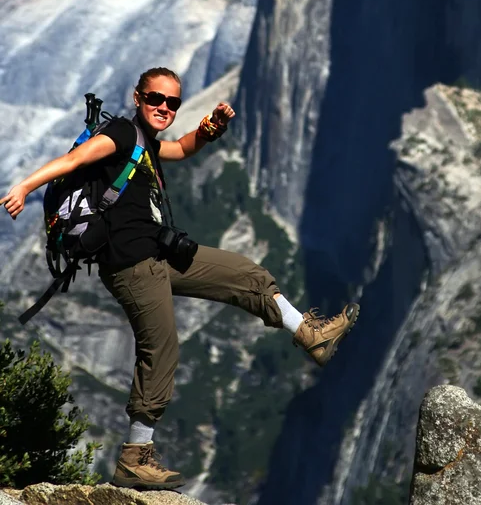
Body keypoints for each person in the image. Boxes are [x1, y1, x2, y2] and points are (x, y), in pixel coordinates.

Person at [0, 67, 360, 491]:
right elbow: (74, 160)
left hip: (159, 254)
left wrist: (210, 128)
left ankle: (309, 334)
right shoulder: (119, 133)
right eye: (156, 99)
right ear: (138, 97)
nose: (164, 108)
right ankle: (135, 456)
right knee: (161, 347)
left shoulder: (147, 142)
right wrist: (24, 187)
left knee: (247, 274)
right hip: (130, 267)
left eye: (173, 103)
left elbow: (182, 149)